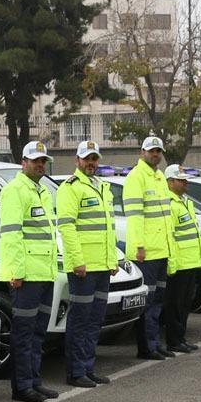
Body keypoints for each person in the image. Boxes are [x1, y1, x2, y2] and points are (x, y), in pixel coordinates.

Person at [0, 141, 60, 401]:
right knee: (23, 334)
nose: (40, 164)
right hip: (26, 276)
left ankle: (34, 380)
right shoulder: (14, 190)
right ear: (23, 163)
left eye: (43, 161)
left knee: (38, 333)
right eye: (35, 160)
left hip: (45, 272)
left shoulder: (42, 191)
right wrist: (16, 272)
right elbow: (11, 235)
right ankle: (22, 387)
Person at [56, 141, 117, 386]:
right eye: (86, 158)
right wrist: (78, 261)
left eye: (94, 158)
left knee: (95, 320)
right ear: (77, 161)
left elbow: (108, 229)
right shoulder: (70, 188)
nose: (91, 163)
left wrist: (112, 260)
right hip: (83, 268)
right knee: (80, 320)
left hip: (102, 266)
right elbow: (67, 227)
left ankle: (88, 367)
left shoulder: (102, 187)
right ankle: (75, 372)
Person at [123, 136, 172, 358]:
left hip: (162, 250)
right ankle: (146, 347)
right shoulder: (136, 177)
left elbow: (165, 217)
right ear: (142, 152)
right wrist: (139, 247)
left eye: (158, 151)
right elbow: (134, 217)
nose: (155, 154)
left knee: (158, 301)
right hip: (147, 253)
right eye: (151, 151)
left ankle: (154, 342)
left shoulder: (160, 176)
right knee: (147, 302)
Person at [161, 164, 201, 351]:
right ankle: (174, 340)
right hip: (179, 263)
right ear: (170, 182)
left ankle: (181, 337)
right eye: (181, 180)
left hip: (191, 261)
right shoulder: (169, 204)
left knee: (186, 302)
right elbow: (169, 235)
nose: (185, 182)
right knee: (175, 304)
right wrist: (172, 262)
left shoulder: (185, 201)